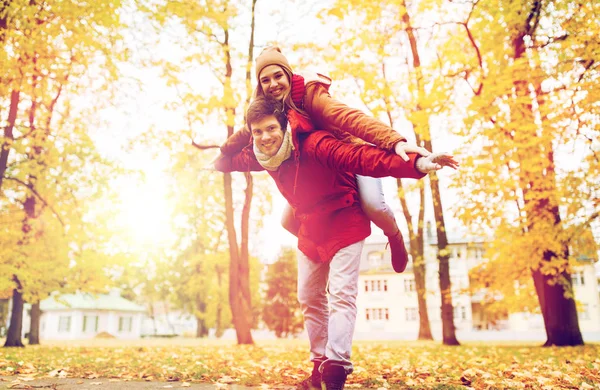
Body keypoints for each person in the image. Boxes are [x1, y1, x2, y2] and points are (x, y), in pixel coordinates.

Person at [214, 96, 458, 390]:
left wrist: (418, 163)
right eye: (257, 132)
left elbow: (364, 158)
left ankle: (336, 367)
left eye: (270, 129)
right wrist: (217, 161)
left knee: (344, 290)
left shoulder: (314, 136)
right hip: (311, 225)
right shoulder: (261, 152)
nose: (265, 137)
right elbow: (233, 158)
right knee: (308, 296)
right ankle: (319, 364)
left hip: (346, 217)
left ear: (285, 126)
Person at [219, 46, 432, 273]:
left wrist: (394, 141)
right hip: (319, 175)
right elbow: (246, 132)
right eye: (266, 80)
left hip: (347, 156)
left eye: (278, 76)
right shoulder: (268, 107)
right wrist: (222, 152)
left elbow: (348, 117)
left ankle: (394, 235)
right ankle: (326, 255)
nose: (273, 84)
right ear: (260, 85)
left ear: (288, 74)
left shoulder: (310, 96)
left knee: (373, 205)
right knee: (287, 221)